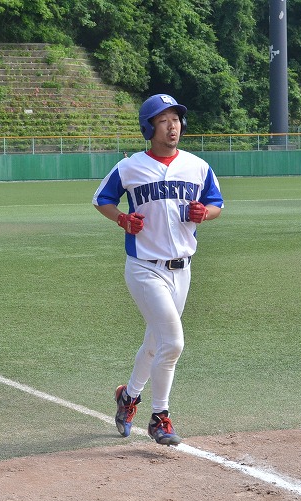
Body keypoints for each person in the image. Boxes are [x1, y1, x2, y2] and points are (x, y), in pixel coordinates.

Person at [92, 94, 224, 446]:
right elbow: (101, 199)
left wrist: (205, 213)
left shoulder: (197, 166)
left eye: (176, 119)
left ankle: (127, 398)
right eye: (163, 120)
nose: (172, 126)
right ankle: (159, 417)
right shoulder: (130, 167)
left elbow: (216, 204)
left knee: (154, 343)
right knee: (173, 342)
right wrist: (122, 219)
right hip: (144, 268)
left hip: (182, 270)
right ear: (149, 128)